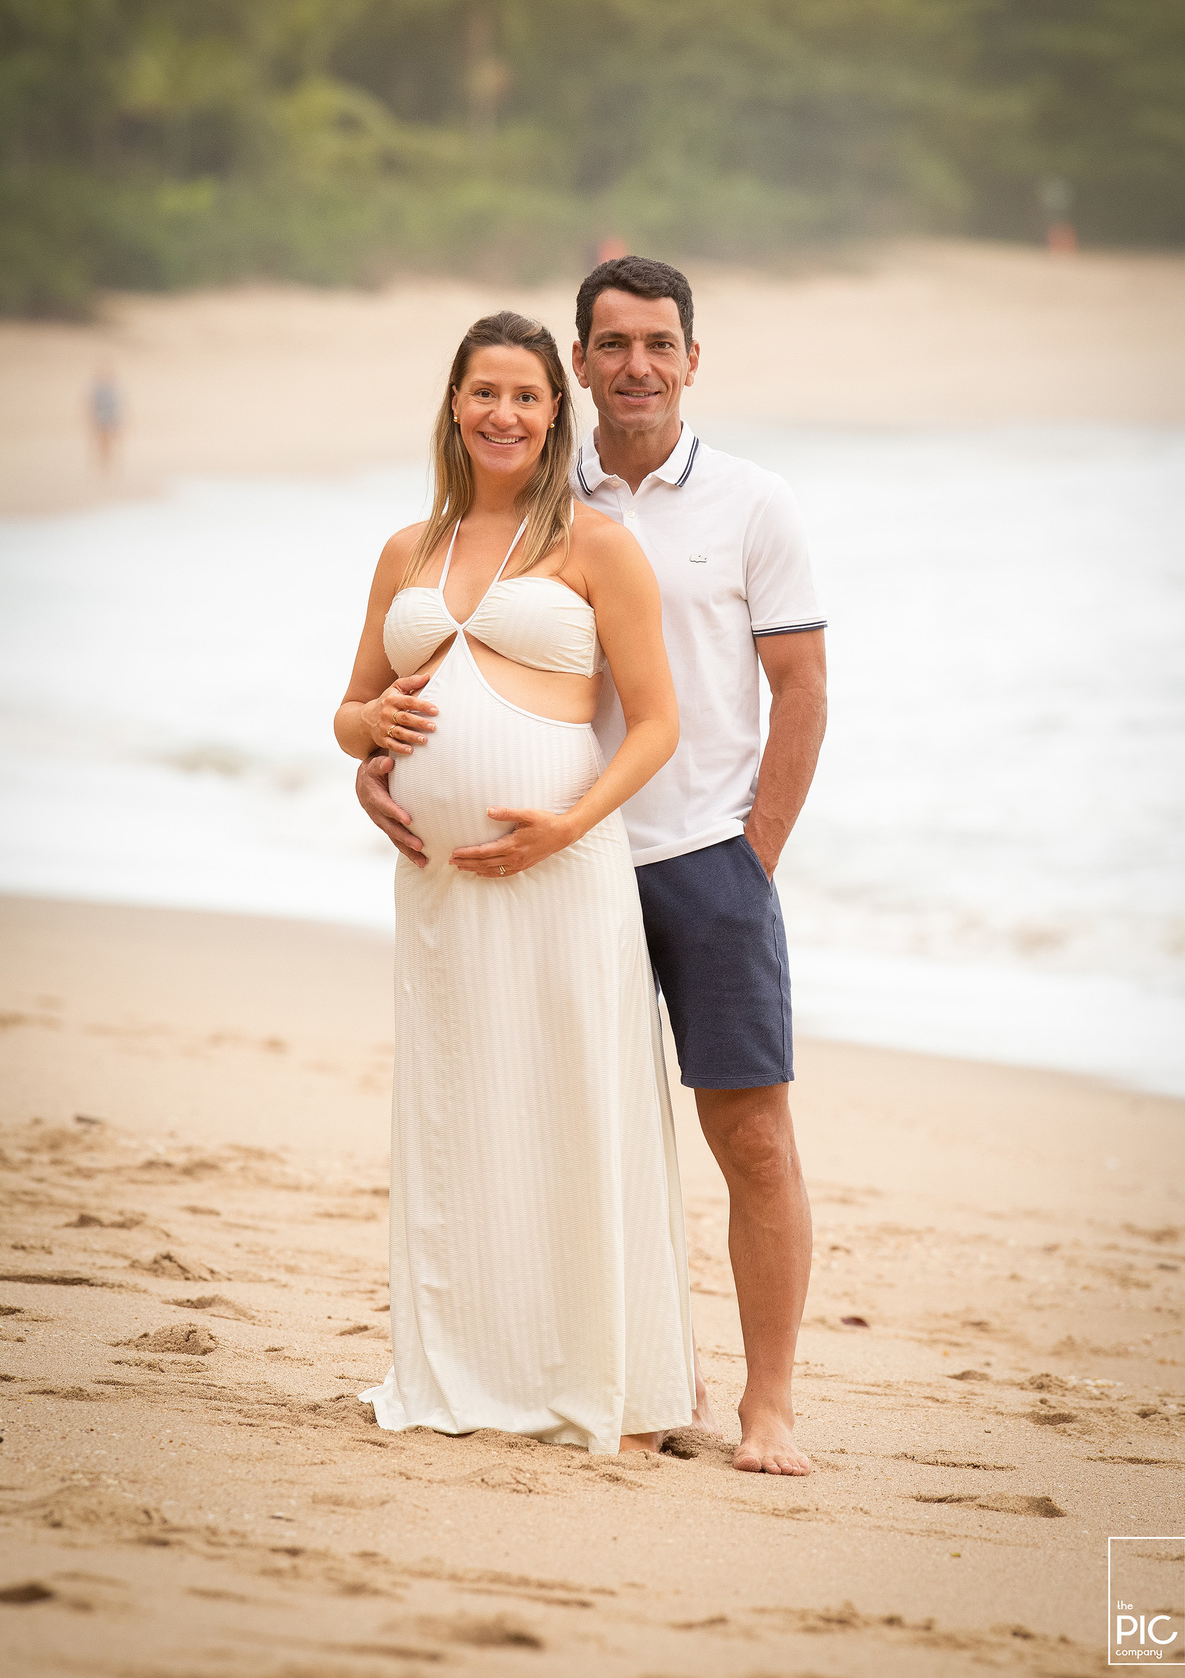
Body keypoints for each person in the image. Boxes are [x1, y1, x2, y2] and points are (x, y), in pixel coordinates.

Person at [358, 259, 827, 1478]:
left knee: (751, 1136)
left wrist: (754, 857)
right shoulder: (535, 487)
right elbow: (401, 685)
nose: (635, 365)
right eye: (611, 343)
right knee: (555, 1121)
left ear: (690, 359)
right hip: (538, 870)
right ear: (580, 365)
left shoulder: (750, 503)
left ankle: (767, 1404)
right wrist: (374, 763)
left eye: (657, 344)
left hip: (695, 856)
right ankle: (621, 1358)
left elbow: (800, 692)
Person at [335, 309, 695, 1455]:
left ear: (558, 413)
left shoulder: (595, 544)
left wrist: (567, 828)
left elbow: (657, 726)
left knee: (574, 1111)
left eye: (528, 397)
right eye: (485, 393)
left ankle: (611, 1387)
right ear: (455, 404)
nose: (504, 413)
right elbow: (351, 710)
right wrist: (368, 745)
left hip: (561, 873)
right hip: (441, 886)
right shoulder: (408, 550)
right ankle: (466, 1369)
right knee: (460, 1116)